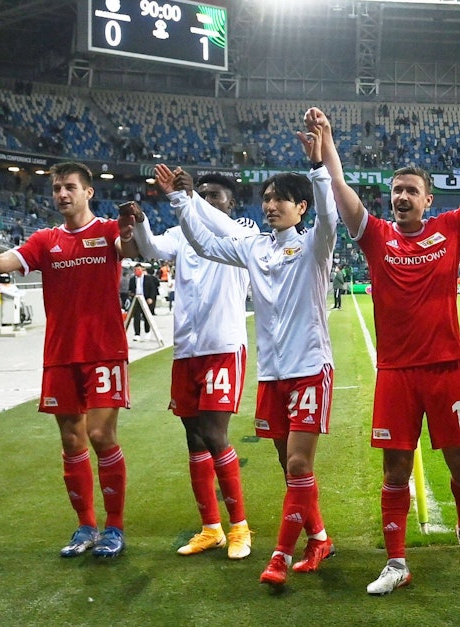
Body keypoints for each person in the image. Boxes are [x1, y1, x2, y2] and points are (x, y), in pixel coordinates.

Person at [156, 108, 352, 588]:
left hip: (309, 367)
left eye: (281, 199)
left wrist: (319, 164)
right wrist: (181, 202)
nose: (271, 205)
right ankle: (320, 537)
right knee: (290, 467)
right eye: (266, 198)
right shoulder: (253, 249)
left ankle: (281, 556)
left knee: (300, 464)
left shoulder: (313, 245)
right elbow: (202, 243)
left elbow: (330, 214)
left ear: (299, 208)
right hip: (272, 375)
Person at [343, 115, 460, 597]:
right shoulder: (376, 237)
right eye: (396, 191)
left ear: (427, 200)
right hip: (397, 374)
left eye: (410, 191)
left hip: (447, 369)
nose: (401, 197)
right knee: (395, 470)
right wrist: (328, 160)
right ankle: (396, 562)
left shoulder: (449, 228)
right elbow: (343, 195)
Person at [0, 161, 138, 559]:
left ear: (88, 192)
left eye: (70, 187)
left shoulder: (108, 231)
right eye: (57, 188)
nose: (62, 194)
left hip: (103, 352)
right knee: (71, 439)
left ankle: (115, 527)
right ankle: (85, 526)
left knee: (101, 436)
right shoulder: (45, 240)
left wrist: (131, 229)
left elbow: (129, 248)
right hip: (60, 354)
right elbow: (2, 264)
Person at [127, 166, 256, 563]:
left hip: (223, 344)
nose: (209, 199)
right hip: (187, 350)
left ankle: (239, 527)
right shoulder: (181, 233)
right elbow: (149, 250)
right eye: (204, 193)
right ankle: (211, 528)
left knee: (215, 434)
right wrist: (141, 222)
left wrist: (189, 199)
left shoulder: (243, 232)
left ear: (230, 204)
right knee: (194, 439)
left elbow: (213, 223)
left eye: (216, 195)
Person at [123, 265, 160, 337]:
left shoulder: (148, 279)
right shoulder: (133, 279)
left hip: (145, 299)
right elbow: (130, 289)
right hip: (136, 299)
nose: (137, 271)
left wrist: (151, 298)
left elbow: (152, 289)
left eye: (139, 269)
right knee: (136, 317)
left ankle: (147, 331)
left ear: (142, 270)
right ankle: (137, 334)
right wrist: (131, 294)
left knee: (146, 317)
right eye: (136, 269)